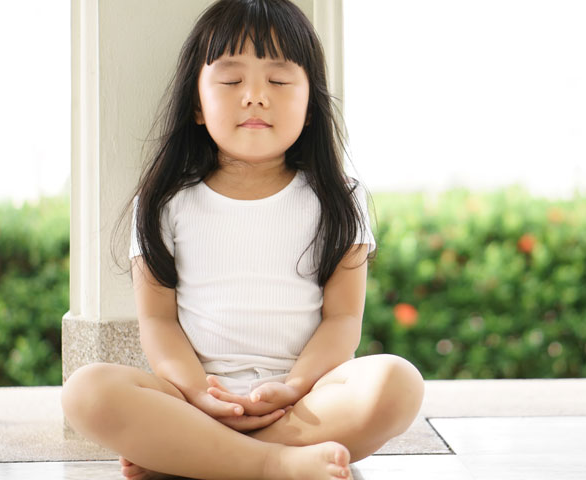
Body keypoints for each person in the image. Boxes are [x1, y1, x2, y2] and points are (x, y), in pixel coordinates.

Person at [60, 1, 425, 479]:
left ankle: (196, 458)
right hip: (195, 400)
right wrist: (197, 393)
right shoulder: (165, 200)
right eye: (232, 81)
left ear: (311, 104)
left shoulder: (339, 199)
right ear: (196, 103)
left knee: (398, 384)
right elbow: (157, 321)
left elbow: (342, 319)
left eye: (277, 81)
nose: (254, 96)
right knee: (85, 391)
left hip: (305, 401)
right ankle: (271, 463)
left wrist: (294, 386)